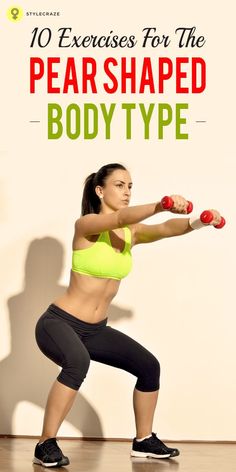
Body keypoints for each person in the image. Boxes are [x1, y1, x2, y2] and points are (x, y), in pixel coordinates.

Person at [33, 163, 222, 467]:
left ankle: (144, 440)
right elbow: (119, 216)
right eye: (119, 185)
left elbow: (163, 230)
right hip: (58, 324)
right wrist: (161, 205)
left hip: (94, 330)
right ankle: (45, 444)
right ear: (100, 190)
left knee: (148, 366)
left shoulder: (129, 232)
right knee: (77, 362)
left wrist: (200, 222)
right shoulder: (87, 225)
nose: (127, 192)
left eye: (130, 186)